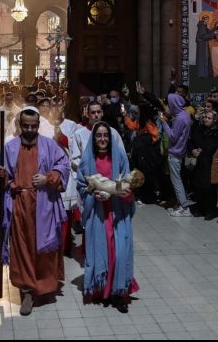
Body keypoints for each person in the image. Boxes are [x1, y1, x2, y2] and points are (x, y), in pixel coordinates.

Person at [0, 107, 70, 316]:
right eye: (25, 125)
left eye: (33, 126)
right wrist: (0, 175)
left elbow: (63, 165)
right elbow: (1, 178)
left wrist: (49, 178)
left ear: (38, 125)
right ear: (19, 125)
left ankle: (43, 285)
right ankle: (26, 291)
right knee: (22, 248)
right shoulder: (10, 147)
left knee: (43, 247)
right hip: (19, 205)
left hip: (43, 204)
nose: (29, 129)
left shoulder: (48, 145)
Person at [76, 122, 138, 313]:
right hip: (98, 213)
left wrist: (123, 193)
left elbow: (129, 181)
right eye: (98, 136)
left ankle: (119, 292)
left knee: (119, 252)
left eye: (105, 135)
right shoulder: (87, 159)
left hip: (118, 212)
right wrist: (91, 195)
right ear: (93, 139)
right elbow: (80, 185)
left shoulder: (119, 156)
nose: (102, 139)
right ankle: (103, 291)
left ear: (110, 138)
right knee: (103, 252)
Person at [162, 92, 195, 216]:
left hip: (175, 153)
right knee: (177, 179)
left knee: (176, 181)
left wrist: (163, 123)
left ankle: (184, 207)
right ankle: (182, 204)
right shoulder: (185, 115)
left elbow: (173, 136)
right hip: (180, 152)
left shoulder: (180, 118)